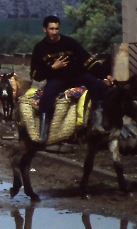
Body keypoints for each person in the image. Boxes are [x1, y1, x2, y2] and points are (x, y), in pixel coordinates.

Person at [30, 15, 114, 144]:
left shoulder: (69, 42)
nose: (54, 32)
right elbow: (35, 74)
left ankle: (97, 124)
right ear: (44, 29)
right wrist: (53, 68)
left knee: (98, 86)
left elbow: (87, 60)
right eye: (51, 29)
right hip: (57, 79)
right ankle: (43, 134)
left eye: (56, 29)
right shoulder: (39, 48)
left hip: (77, 76)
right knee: (47, 97)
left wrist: (105, 75)